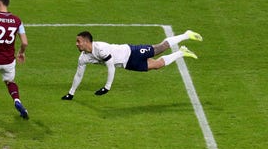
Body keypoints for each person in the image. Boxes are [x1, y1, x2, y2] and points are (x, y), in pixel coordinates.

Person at [61, 30, 202, 100]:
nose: (76, 44)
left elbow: (110, 67)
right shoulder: (83, 58)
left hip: (132, 52)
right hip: (127, 64)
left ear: (86, 41)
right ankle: (182, 52)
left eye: (78, 41)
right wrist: (71, 93)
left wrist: (107, 87)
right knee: (157, 65)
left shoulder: (101, 49)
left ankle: (186, 35)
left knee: (159, 48)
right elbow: (79, 74)